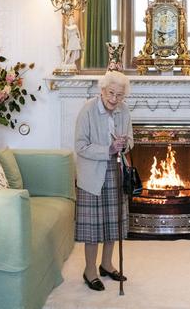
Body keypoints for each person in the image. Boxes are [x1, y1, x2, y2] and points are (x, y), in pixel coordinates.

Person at [74, 71, 133, 291]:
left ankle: (106, 264)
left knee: (112, 222)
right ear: (102, 90)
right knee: (93, 227)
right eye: (111, 93)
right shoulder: (88, 110)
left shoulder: (124, 110)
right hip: (92, 174)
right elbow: (80, 146)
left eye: (119, 95)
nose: (114, 99)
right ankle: (89, 270)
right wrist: (107, 149)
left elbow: (131, 140)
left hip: (116, 170)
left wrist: (124, 144)